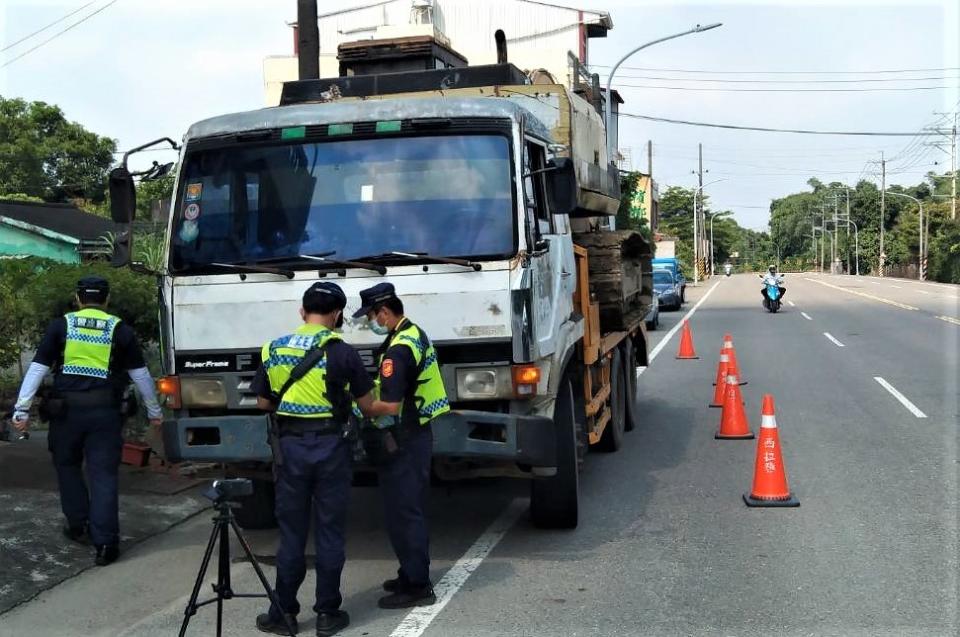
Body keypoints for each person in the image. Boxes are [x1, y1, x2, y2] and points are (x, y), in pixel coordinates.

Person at [10, 276, 163, 566]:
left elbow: (38, 369)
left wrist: (22, 411)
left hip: (66, 414)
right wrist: (155, 412)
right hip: (105, 415)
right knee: (103, 475)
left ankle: (78, 525)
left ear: (78, 298)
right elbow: (141, 375)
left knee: (67, 466)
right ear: (106, 299)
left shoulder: (61, 326)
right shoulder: (120, 329)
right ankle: (105, 545)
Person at [251, 281, 376, 637]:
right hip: (332, 448)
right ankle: (326, 613)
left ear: (302, 312)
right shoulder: (342, 351)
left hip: (289, 450)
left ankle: (283, 612)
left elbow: (262, 402)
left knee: (291, 533)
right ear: (337, 315)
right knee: (330, 531)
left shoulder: (272, 349)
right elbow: (367, 406)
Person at [352, 282, 450, 610]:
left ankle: (417, 585)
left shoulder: (398, 350)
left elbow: (390, 405)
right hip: (417, 432)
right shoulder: (411, 333)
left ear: (384, 311)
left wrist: (359, 406)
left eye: (371, 316)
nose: (370, 322)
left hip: (405, 436)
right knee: (408, 508)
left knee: (404, 512)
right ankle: (409, 573)